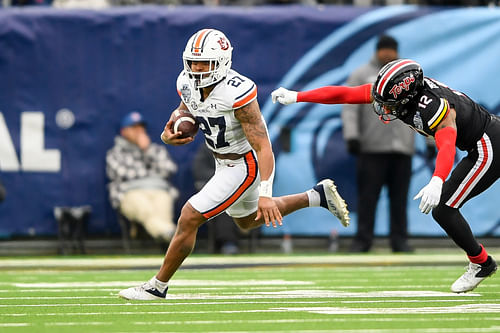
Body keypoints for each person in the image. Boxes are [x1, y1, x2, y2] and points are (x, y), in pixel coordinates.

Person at [118, 29, 350, 301]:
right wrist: (168, 132)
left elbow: (264, 146)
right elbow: (185, 108)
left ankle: (157, 286)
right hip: (221, 161)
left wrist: (265, 194)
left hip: (244, 164)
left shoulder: (237, 92)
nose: (197, 68)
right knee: (247, 222)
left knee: (189, 216)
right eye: (193, 62)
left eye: (204, 62)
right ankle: (315, 196)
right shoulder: (186, 82)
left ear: (222, 61)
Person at [271, 58, 498, 293]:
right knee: (444, 208)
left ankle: (482, 263)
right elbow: (346, 94)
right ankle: (482, 262)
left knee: (444, 207)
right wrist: (298, 96)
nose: (384, 107)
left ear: (407, 96)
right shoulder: (402, 92)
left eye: (388, 103)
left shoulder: (432, 107)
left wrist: (438, 179)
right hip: (480, 144)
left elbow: (447, 143)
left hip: (488, 145)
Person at [341, 35, 414, 253]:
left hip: (402, 148)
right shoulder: (362, 74)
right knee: (368, 198)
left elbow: (423, 107)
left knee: (399, 200)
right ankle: (363, 240)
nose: (388, 54)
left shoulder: (408, 76)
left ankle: (399, 240)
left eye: (392, 50)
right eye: (385, 50)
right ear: (377, 51)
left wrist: (429, 141)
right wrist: (352, 136)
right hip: (371, 148)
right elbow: (349, 106)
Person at [106, 111, 178, 243]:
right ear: (124, 132)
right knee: (144, 206)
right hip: (130, 193)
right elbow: (124, 175)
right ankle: (172, 235)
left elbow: (169, 169)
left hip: (159, 190)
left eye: (141, 127)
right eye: (134, 128)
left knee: (163, 202)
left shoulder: (155, 150)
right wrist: (152, 175)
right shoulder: (115, 153)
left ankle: (166, 234)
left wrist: (147, 151)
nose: (139, 131)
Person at [192, 143, 241, 255]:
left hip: (241, 189)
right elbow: (199, 170)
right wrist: (223, 179)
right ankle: (228, 242)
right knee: (222, 202)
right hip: (217, 189)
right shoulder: (207, 148)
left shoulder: (242, 146)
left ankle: (234, 237)